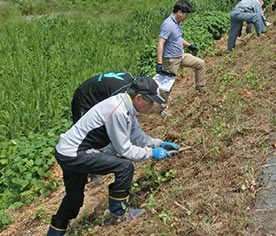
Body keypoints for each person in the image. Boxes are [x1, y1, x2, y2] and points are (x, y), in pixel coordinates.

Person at [46, 76, 178, 236]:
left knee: (74, 199)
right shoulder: (118, 111)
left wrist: (159, 144)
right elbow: (125, 150)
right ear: (139, 98)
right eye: (150, 101)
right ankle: (119, 214)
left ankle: (53, 234)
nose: (152, 106)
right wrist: (152, 153)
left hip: (67, 150)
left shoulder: (126, 106)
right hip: (73, 153)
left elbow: (137, 137)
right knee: (124, 166)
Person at [72, 71, 134, 185]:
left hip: (97, 96)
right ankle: (89, 174)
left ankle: (103, 155)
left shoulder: (129, 78)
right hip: (84, 99)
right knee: (84, 134)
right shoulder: (120, 92)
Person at [156, 0, 206, 115]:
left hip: (181, 55)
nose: (186, 17)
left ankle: (200, 88)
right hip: (171, 60)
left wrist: (189, 45)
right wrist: (159, 63)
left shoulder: (177, 23)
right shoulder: (168, 24)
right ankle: (162, 109)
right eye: (186, 14)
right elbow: (160, 43)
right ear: (179, 12)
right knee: (167, 85)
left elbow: (177, 38)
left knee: (200, 64)